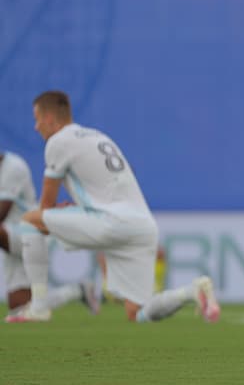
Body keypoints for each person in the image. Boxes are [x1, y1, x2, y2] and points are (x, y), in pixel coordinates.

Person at [15, 91, 220, 323]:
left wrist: (55, 213)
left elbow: (45, 210)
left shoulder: (58, 141)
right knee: (137, 313)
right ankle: (192, 291)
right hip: (143, 227)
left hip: (110, 223)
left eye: (38, 118)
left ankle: (39, 307)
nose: (36, 126)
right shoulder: (97, 136)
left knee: (30, 221)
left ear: (51, 118)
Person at [0, 149, 98, 321]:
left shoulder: (13, 167)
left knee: (21, 314)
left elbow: (2, 212)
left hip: (26, 233)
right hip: (9, 241)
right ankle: (76, 291)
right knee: (19, 310)